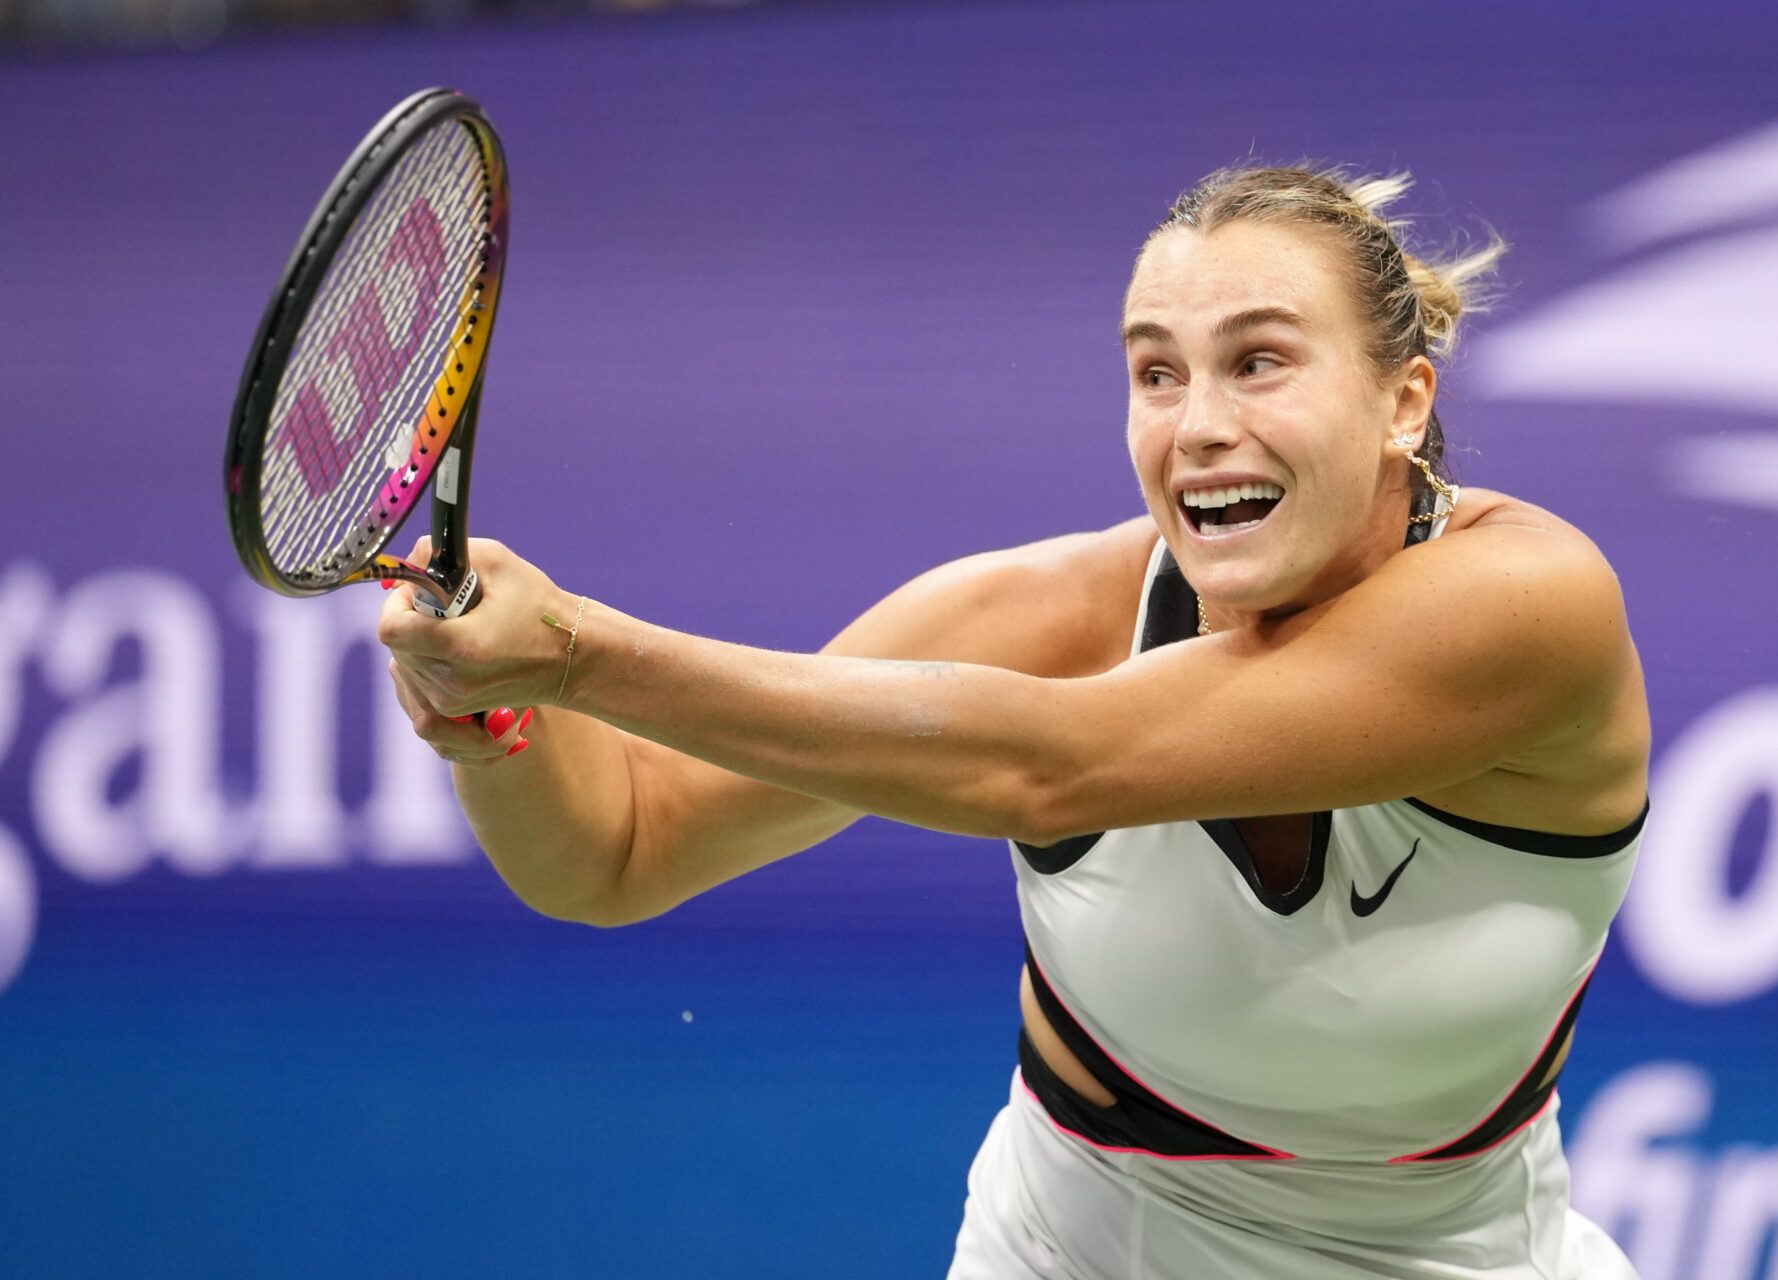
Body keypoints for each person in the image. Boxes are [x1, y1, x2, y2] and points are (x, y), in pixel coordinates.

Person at [378, 165, 1651, 1279]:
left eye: (1259, 360)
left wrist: (579, 649)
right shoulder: (1045, 611)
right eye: (1157, 372)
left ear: (1404, 403)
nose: (1200, 426)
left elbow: (1055, 765)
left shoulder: (1532, 603)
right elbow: (621, 846)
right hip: (1068, 1251)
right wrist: (497, 717)